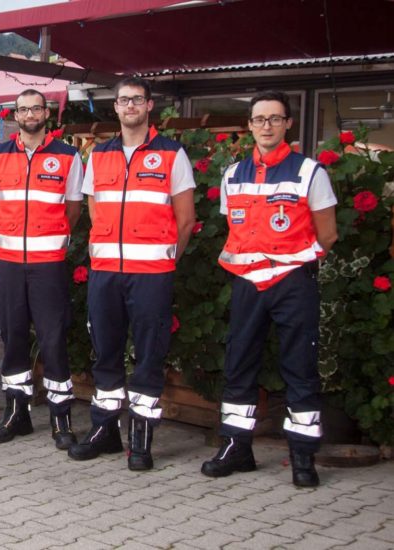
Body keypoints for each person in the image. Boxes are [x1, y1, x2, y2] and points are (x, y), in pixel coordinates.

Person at [201, 90, 338, 487]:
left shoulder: (309, 172)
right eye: (260, 119)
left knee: (300, 366)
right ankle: (237, 448)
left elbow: (328, 234)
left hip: (293, 282)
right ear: (249, 125)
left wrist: (291, 264)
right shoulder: (233, 174)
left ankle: (302, 456)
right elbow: (235, 229)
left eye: (275, 118)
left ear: (288, 124)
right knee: (238, 364)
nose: (267, 126)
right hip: (247, 283)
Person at [69, 77, 196, 470]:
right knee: (105, 351)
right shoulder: (99, 155)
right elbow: (95, 211)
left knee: (149, 354)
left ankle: (141, 439)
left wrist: (165, 259)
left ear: (149, 105)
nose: (130, 106)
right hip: (106, 272)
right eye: (123, 100)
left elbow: (186, 219)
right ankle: (105, 430)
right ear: (116, 106)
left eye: (137, 100)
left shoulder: (172, 153)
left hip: (152, 273)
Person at [0, 89, 84, 449]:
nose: (30, 114)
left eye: (36, 108)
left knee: (53, 338)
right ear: (15, 115)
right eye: (23, 109)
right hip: (10, 263)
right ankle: (17, 414)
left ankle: (61, 419)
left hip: (48, 265)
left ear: (47, 113)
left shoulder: (68, 156)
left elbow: (73, 209)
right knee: (13, 337)